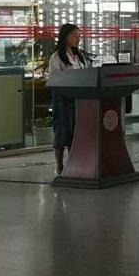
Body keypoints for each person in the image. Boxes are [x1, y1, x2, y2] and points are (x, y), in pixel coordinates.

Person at [47, 23, 92, 176]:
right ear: (65, 37)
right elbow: (54, 78)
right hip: (62, 99)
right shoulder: (56, 57)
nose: (77, 38)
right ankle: (59, 166)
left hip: (79, 99)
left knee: (76, 133)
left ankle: (74, 164)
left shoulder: (80, 56)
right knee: (62, 131)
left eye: (79, 35)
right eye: (74, 35)